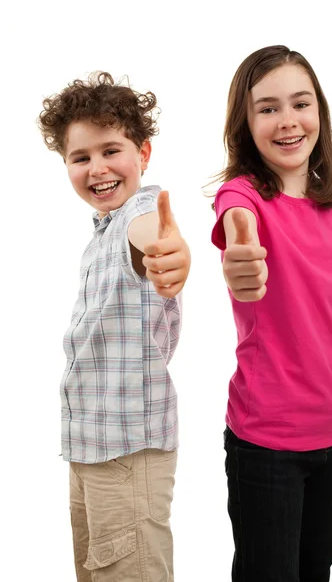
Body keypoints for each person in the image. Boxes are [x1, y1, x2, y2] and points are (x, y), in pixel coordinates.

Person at [211, 46, 332, 582]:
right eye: (267, 108)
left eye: (300, 103)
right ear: (245, 123)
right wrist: (241, 248)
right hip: (266, 439)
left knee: (315, 572)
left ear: (318, 109)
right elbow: (236, 218)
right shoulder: (243, 195)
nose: (288, 121)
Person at [38, 71, 190, 581]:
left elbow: (153, 236)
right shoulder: (100, 232)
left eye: (111, 150)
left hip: (127, 455)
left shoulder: (139, 213)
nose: (97, 168)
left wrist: (170, 253)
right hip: (91, 452)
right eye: (80, 158)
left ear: (143, 154)